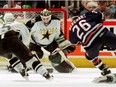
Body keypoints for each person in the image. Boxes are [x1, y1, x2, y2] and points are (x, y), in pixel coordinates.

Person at [0, 12, 53, 80]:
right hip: (12, 41)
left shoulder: (1, 26)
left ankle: (21, 70)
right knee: (31, 60)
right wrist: (25, 50)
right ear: (13, 18)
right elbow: (26, 39)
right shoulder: (18, 24)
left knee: (10, 57)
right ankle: (46, 74)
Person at [69, 4, 114, 76]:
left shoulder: (71, 28)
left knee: (90, 57)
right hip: (101, 32)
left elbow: (75, 42)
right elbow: (102, 17)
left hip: (91, 44)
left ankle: (105, 70)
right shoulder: (85, 15)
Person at [26, 8, 76, 73]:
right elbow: (25, 30)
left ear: (50, 16)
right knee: (33, 56)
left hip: (50, 43)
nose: (45, 20)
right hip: (35, 43)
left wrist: (64, 44)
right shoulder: (34, 21)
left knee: (56, 58)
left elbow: (59, 35)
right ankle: (22, 66)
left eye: (47, 18)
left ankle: (68, 69)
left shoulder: (56, 21)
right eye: (43, 18)